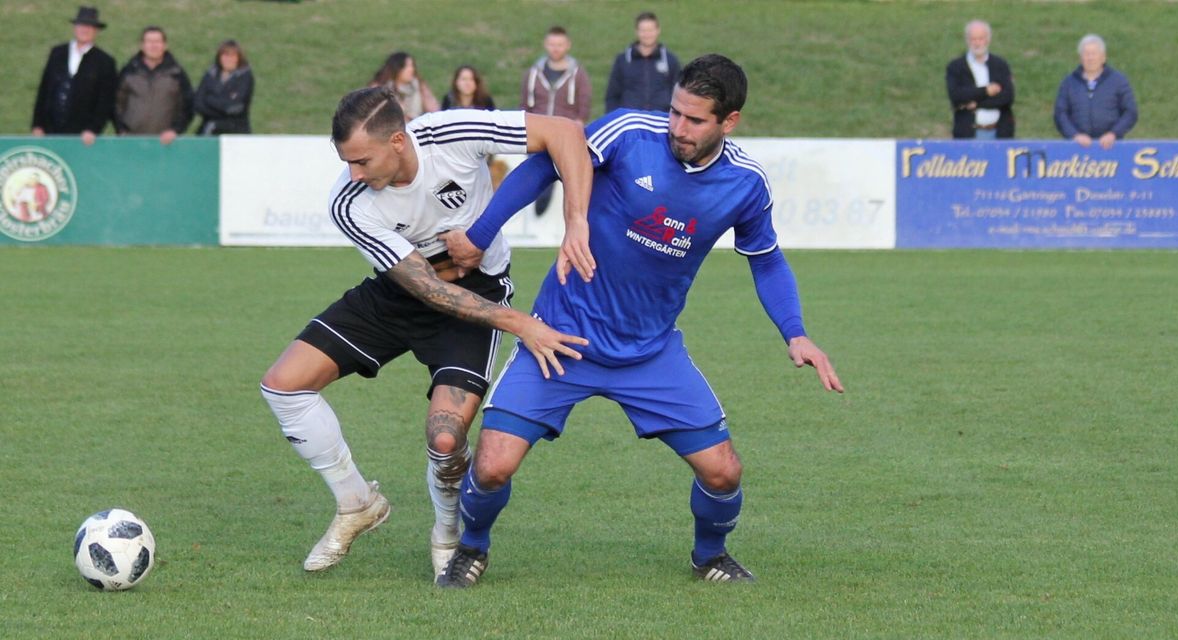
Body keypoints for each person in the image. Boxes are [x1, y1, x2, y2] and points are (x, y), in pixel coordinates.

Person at [435, 54, 843, 588]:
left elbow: (766, 259)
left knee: (724, 471)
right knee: (491, 466)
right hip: (560, 337)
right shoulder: (629, 132)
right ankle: (472, 547)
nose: (679, 127)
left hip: (648, 353)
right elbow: (544, 164)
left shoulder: (744, 184)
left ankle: (710, 556)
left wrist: (796, 333)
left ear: (730, 121)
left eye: (695, 120)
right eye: (675, 112)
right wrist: (481, 233)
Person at [258, 86, 596, 580]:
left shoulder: (453, 132)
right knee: (283, 385)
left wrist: (576, 222)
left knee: (444, 438)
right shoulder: (349, 202)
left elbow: (565, 132)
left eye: (361, 160)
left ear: (398, 140)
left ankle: (446, 533)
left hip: (476, 299)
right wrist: (524, 324)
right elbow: (427, 288)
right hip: (399, 293)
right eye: (346, 162)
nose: (353, 174)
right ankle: (356, 503)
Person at [521, 25, 593, 215]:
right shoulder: (533, 73)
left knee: (568, 179)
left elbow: (584, 102)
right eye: (552, 44)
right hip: (537, 133)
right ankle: (534, 216)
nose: (556, 48)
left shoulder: (578, 74)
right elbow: (525, 104)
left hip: (564, 135)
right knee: (534, 175)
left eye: (560, 44)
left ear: (567, 45)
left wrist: (578, 124)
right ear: (546, 44)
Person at [30, 6, 118, 147]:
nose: (85, 29)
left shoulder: (105, 61)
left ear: (96, 31)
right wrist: (37, 124)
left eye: (90, 26)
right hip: (50, 130)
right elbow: (44, 89)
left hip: (82, 135)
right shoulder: (57, 53)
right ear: (75, 27)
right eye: (82, 25)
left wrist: (93, 129)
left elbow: (105, 101)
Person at [1054, 34, 1138, 150]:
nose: (1090, 58)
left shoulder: (1118, 81)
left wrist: (1113, 134)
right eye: (1086, 54)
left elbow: (1130, 112)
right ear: (1080, 58)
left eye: (1094, 54)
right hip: (1076, 150)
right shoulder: (1069, 83)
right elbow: (1060, 114)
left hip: (1112, 148)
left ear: (1103, 57)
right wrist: (1074, 135)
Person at [115, 26, 194, 145]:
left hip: (166, 144)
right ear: (142, 45)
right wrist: (121, 129)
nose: (153, 46)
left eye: (157, 41)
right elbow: (115, 103)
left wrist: (175, 130)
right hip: (131, 142)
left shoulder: (176, 73)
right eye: (149, 41)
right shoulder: (128, 71)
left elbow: (188, 106)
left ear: (165, 45)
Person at [945, 19, 1015, 139]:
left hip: (999, 133)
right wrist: (985, 91)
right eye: (973, 39)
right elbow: (956, 96)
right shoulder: (956, 67)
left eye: (981, 38)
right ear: (967, 40)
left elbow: (1007, 97)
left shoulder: (1000, 65)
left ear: (988, 39)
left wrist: (976, 104)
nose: (977, 43)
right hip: (968, 134)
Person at [604, 12, 680, 113]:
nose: (647, 34)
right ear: (637, 31)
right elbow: (612, 95)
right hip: (630, 121)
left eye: (650, 30)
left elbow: (679, 94)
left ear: (658, 30)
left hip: (661, 120)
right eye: (643, 30)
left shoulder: (670, 60)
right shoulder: (623, 60)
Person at [194, 39, 255, 135]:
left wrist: (209, 99)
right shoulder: (210, 74)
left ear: (238, 58)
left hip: (236, 132)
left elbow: (235, 107)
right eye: (225, 55)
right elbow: (198, 103)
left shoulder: (245, 77)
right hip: (208, 130)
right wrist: (223, 107)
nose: (228, 59)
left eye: (232, 56)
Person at [370, 52, 439, 120]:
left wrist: (423, 91)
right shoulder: (380, 89)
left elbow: (434, 109)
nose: (412, 69)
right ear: (397, 68)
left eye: (412, 66)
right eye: (407, 66)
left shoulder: (417, 85)